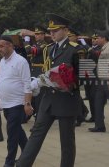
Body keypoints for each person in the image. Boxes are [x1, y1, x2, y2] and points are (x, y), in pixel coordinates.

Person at [17, 13, 80, 167]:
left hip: (66, 99)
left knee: (66, 141)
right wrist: (41, 82)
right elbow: (47, 71)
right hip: (48, 99)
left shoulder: (76, 50)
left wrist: (67, 82)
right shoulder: (49, 49)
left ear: (65, 30)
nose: (51, 34)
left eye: (55, 30)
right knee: (36, 134)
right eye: (50, 31)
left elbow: (86, 77)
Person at [0, 35, 32, 167]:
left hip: (17, 103)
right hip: (5, 103)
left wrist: (27, 104)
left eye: (2, 46)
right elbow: (1, 81)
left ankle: (9, 162)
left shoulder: (20, 61)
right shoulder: (2, 61)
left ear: (10, 45)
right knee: (17, 130)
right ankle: (28, 153)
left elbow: (27, 84)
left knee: (12, 134)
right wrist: (0, 99)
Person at [23, 24, 49, 121]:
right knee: (31, 95)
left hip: (40, 71)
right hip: (33, 71)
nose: (37, 36)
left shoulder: (44, 45)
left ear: (43, 35)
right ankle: (28, 114)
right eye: (36, 34)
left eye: (39, 34)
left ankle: (39, 119)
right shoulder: (36, 44)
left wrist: (26, 40)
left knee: (39, 98)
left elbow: (29, 50)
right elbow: (29, 53)